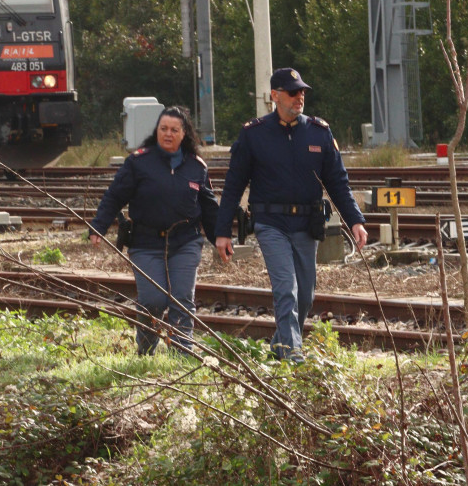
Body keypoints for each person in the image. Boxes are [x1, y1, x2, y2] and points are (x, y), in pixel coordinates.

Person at [215, 67, 367, 361]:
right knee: (286, 289)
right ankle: (293, 355)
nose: (300, 98)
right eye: (293, 92)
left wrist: (356, 220)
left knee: (305, 295)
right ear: (275, 96)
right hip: (270, 224)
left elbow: (338, 183)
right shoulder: (253, 134)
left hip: (306, 225)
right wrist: (223, 231)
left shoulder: (319, 132)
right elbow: (233, 186)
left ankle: (278, 348)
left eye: (303, 93)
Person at [89, 106, 218, 355]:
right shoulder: (139, 162)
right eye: (163, 129)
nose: (168, 134)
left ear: (184, 134)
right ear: (156, 130)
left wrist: (221, 239)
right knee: (153, 301)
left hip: (186, 241)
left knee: (182, 299)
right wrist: (99, 226)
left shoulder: (196, 166)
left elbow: (209, 208)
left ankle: (183, 354)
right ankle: (146, 351)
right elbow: (114, 196)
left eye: (174, 130)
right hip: (145, 243)